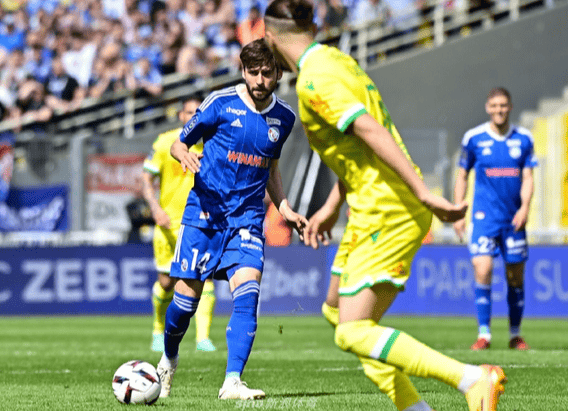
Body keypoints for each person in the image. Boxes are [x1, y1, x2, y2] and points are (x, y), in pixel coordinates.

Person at [263, 1, 507, 410]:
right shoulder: (336, 60)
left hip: (388, 207)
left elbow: (369, 129)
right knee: (335, 311)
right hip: (370, 203)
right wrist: (332, 206)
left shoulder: (314, 81)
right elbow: (356, 146)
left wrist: (423, 192)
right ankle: (416, 408)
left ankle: (471, 379)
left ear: (269, 37)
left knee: (352, 331)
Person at [155, 38, 306, 400]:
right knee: (184, 306)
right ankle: (168, 359)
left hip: (247, 220)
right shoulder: (219, 104)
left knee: (248, 293)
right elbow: (179, 143)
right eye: (253, 72)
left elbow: (271, 168)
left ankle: (232, 381)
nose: (259, 80)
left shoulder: (284, 118)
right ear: (243, 71)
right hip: (204, 217)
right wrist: (183, 154)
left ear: (278, 73)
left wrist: (284, 207)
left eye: (266, 73)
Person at [453, 87, 537, 351]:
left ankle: (515, 334)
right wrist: (458, 211)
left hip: (514, 221)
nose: (499, 110)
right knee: (483, 269)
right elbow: (462, 175)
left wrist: (525, 208)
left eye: (503, 105)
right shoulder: (474, 138)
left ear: (510, 107)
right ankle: (484, 334)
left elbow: (528, 177)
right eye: (494, 106)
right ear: (487, 108)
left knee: (515, 276)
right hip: (484, 219)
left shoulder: (524, 139)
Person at [142, 95, 218, 353]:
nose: (193, 116)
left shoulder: (212, 143)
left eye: (198, 112)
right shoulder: (166, 142)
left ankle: (203, 338)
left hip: (200, 224)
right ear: (180, 116)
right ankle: (157, 329)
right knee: (166, 282)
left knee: (205, 280)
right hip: (168, 225)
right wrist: (155, 209)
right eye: (188, 112)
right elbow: (146, 178)